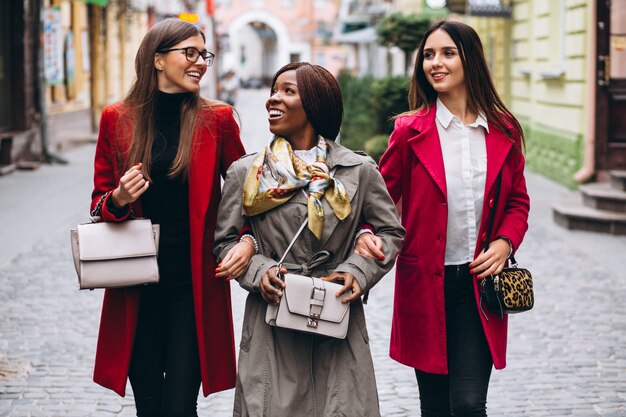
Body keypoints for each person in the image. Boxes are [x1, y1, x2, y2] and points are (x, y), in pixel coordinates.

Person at [356, 20, 530, 416]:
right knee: (434, 406)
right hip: (424, 286)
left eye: (447, 53)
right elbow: (379, 198)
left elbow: (518, 201)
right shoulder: (408, 131)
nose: (435, 63)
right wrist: (367, 232)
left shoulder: (504, 129)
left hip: (479, 287)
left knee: (468, 405)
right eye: (429, 55)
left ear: (471, 59)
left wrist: (504, 242)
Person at [213, 62, 405, 417]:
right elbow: (224, 242)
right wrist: (259, 271)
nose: (274, 98)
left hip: (337, 321)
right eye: (274, 90)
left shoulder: (358, 170)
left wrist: (357, 271)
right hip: (274, 323)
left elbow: (390, 232)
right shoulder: (247, 173)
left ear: (316, 104)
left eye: (288, 91)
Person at [89, 18, 254, 416]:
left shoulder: (218, 118)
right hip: (135, 284)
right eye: (190, 53)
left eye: (204, 55)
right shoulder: (118, 118)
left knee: (179, 406)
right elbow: (99, 203)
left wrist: (247, 241)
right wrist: (120, 197)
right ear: (158, 60)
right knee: (149, 406)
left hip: (193, 286)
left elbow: (248, 196)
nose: (200, 62)